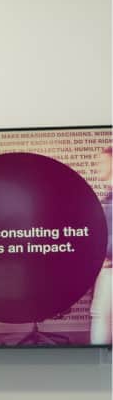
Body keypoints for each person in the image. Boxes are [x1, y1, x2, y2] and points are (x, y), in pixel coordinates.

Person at [90, 146, 112, 346]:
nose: (99, 166)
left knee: (101, 319)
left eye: (103, 162)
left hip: (111, 268)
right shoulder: (108, 196)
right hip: (107, 267)